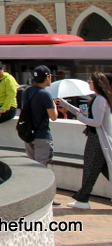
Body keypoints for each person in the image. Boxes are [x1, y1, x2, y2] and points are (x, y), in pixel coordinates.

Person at [57, 72, 112, 209]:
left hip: (97, 139)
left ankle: (82, 199)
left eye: (90, 81)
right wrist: (66, 105)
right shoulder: (98, 98)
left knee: (90, 169)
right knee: (100, 169)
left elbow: (96, 122)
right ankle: (82, 199)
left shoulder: (100, 99)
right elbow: (85, 114)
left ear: (97, 83)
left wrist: (80, 119)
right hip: (97, 138)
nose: (89, 82)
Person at [21, 65, 58, 166]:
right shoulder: (45, 94)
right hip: (42, 135)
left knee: (33, 167)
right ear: (47, 78)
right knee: (41, 169)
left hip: (28, 134)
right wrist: (53, 104)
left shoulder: (26, 91)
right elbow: (53, 117)